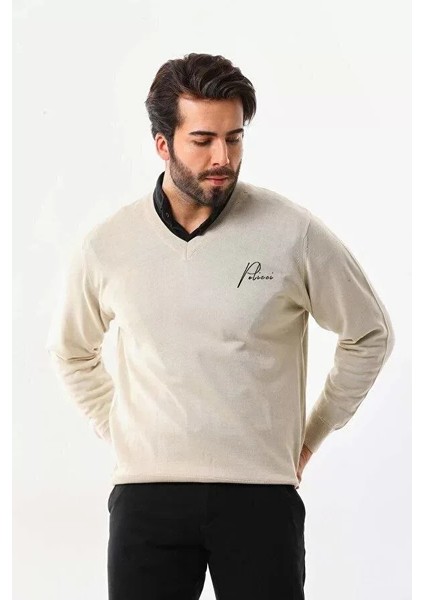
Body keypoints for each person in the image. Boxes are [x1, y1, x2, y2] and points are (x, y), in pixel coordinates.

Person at [46, 52, 395, 600]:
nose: (223, 158)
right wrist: (120, 427)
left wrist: (313, 433)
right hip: (147, 498)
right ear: (163, 144)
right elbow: (71, 350)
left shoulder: (292, 232)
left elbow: (369, 333)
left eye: (234, 139)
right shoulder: (109, 246)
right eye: (203, 140)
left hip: (260, 496)